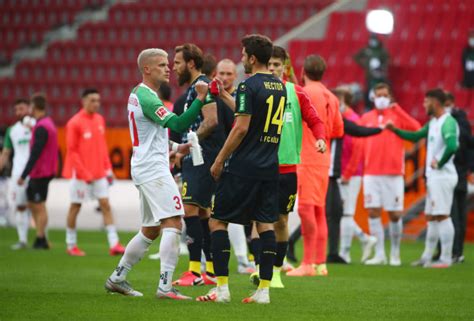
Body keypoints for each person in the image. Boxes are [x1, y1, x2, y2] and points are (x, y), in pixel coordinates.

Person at [105, 48, 209, 299]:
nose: (168, 68)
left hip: (147, 165)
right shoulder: (148, 98)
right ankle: (165, 286)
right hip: (153, 169)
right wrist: (200, 99)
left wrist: (175, 147)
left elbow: (150, 135)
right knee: (174, 221)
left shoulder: (140, 94)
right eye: (162, 64)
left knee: (150, 229)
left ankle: (117, 277)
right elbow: (179, 124)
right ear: (147, 69)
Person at [196, 34, 286, 304]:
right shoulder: (279, 86)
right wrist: (223, 94)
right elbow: (251, 114)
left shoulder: (248, 86)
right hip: (269, 166)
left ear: (252, 58)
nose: (242, 59)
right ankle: (264, 291)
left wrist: (220, 158)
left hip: (244, 166)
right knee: (265, 223)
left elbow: (242, 126)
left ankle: (221, 289)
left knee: (217, 221)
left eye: (244, 55)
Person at [265, 46, 326, 287]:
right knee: (260, 221)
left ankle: (277, 271)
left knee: (281, 221)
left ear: (285, 67)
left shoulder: (296, 93)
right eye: (268, 64)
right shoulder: (256, 91)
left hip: (288, 169)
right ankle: (261, 269)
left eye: (276, 65)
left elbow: (314, 119)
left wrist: (320, 137)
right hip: (261, 167)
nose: (272, 69)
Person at [387, 89, 459, 268]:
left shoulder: (447, 122)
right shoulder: (434, 122)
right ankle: (427, 257)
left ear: (435, 102)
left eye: (426, 102)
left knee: (442, 215)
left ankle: (446, 259)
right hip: (434, 177)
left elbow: (452, 145)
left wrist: (440, 163)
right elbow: (416, 135)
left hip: (443, 176)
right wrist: (394, 130)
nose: (424, 105)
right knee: (431, 216)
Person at [288, 55, 344, 277]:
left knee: (305, 209)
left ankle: (308, 263)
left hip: (308, 158)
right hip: (323, 158)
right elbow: (339, 130)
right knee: (319, 211)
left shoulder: (305, 93)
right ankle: (320, 263)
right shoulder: (331, 96)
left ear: (303, 71)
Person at [172, 43, 219, 287]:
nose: (174, 67)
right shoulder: (195, 87)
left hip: (202, 157)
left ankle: (194, 272)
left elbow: (211, 121)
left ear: (191, 63)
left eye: (178, 62)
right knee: (201, 212)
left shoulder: (203, 86)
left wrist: (189, 144)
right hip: (198, 157)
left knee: (189, 210)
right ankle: (209, 271)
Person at [359, 83, 421, 266]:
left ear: (390, 97)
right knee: (373, 211)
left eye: (385, 95)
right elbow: (359, 140)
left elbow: (416, 128)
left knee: (394, 214)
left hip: (393, 172)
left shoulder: (396, 115)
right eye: (378, 95)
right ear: (373, 97)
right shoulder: (366, 118)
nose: (381, 98)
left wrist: (398, 110)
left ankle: (395, 253)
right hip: (371, 172)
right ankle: (379, 254)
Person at [62, 88, 125, 256]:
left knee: (105, 205)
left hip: (99, 173)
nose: (96, 104)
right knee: (75, 206)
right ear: (83, 101)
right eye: (92, 100)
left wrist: (108, 169)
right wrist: (84, 173)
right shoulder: (74, 122)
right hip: (81, 175)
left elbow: (102, 147)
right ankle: (71, 244)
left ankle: (114, 244)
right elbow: (72, 151)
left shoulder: (99, 120)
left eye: (98, 100)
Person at [215, 58, 255, 274]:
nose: (225, 77)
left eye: (229, 74)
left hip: (234, 162)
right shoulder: (211, 98)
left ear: (235, 75)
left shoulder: (241, 98)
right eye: (222, 73)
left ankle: (242, 260)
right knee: (207, 215)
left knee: (232, 214)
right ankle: (204, 263)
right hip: (213, 161)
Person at [333, 88, 378, 263]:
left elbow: (358, 150)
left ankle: (346, 251)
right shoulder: (340, 119)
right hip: (340, 172)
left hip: (351, 174)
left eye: (339, 100)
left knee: (346, 213)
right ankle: (363, 239)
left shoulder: (353, 120)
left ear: (346, 101)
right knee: (344, 213)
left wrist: (348, 173)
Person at [18, 93, 58, 249]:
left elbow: (36, 152)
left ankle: (41, 238)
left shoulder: (42, 127)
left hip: (41, 171)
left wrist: (23, 174)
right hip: (42, 170)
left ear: (33, 107)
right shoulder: (45, 123)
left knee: (39, 205)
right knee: (32, 203)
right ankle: (40, 236)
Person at [442, 92, 473, 263]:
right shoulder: (457, 121)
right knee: (447, 213)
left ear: (452, 103)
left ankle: (455, 252)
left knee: (454, 214)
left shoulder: (458, 122)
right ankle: (447, 251)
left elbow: (467, 147)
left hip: (456, 172)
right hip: (452, 172)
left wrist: (470, 169)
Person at [0, 99, 32, 250]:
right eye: (17, 109)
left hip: (35, 173)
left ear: (29, 108)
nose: (19, 112)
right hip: (18, 174)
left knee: (38, 207)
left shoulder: (36, 126)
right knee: (20, 206)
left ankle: (42, 239)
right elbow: (6, 153)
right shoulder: (11, 130)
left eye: (22, 108)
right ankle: (22, 240)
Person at [354, 34, 390, 106]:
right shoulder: (367, 49)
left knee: (381, 89)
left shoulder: (381, 50)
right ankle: (368, 106)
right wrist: (364, 64)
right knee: (369, 91)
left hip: (380, 75)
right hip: (369, 75)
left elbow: (387, 59)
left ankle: (382, 105)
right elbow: (356, 57)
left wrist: (382, 67)